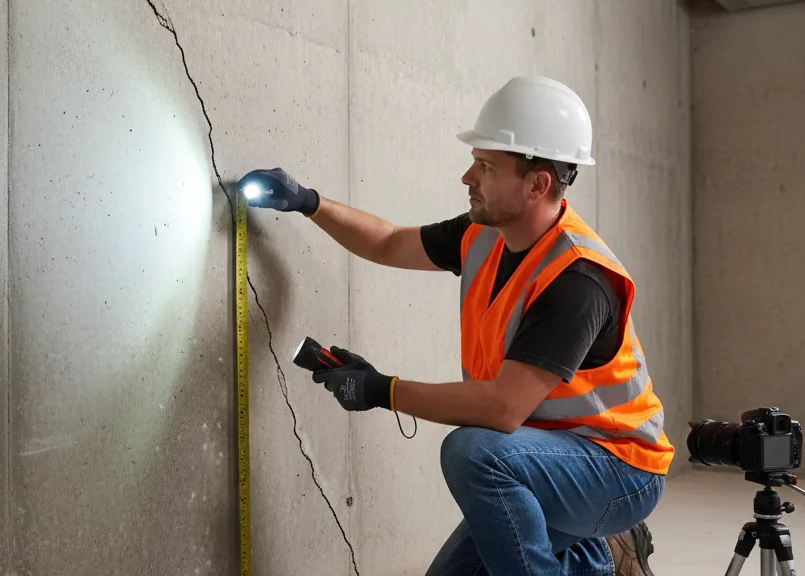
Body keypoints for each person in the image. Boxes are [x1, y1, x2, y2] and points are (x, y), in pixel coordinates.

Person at [239, 75, 672, 576]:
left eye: (486, 167)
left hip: (617, 468)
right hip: (541, 459)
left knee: (473, 452)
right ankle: (594, 555)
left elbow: (504, 409)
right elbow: (387, 242)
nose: (468, 177)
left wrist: (383, 390)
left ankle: (598, 536)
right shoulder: (483, 236)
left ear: (538, 184)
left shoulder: (578, 279)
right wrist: (307, 201)